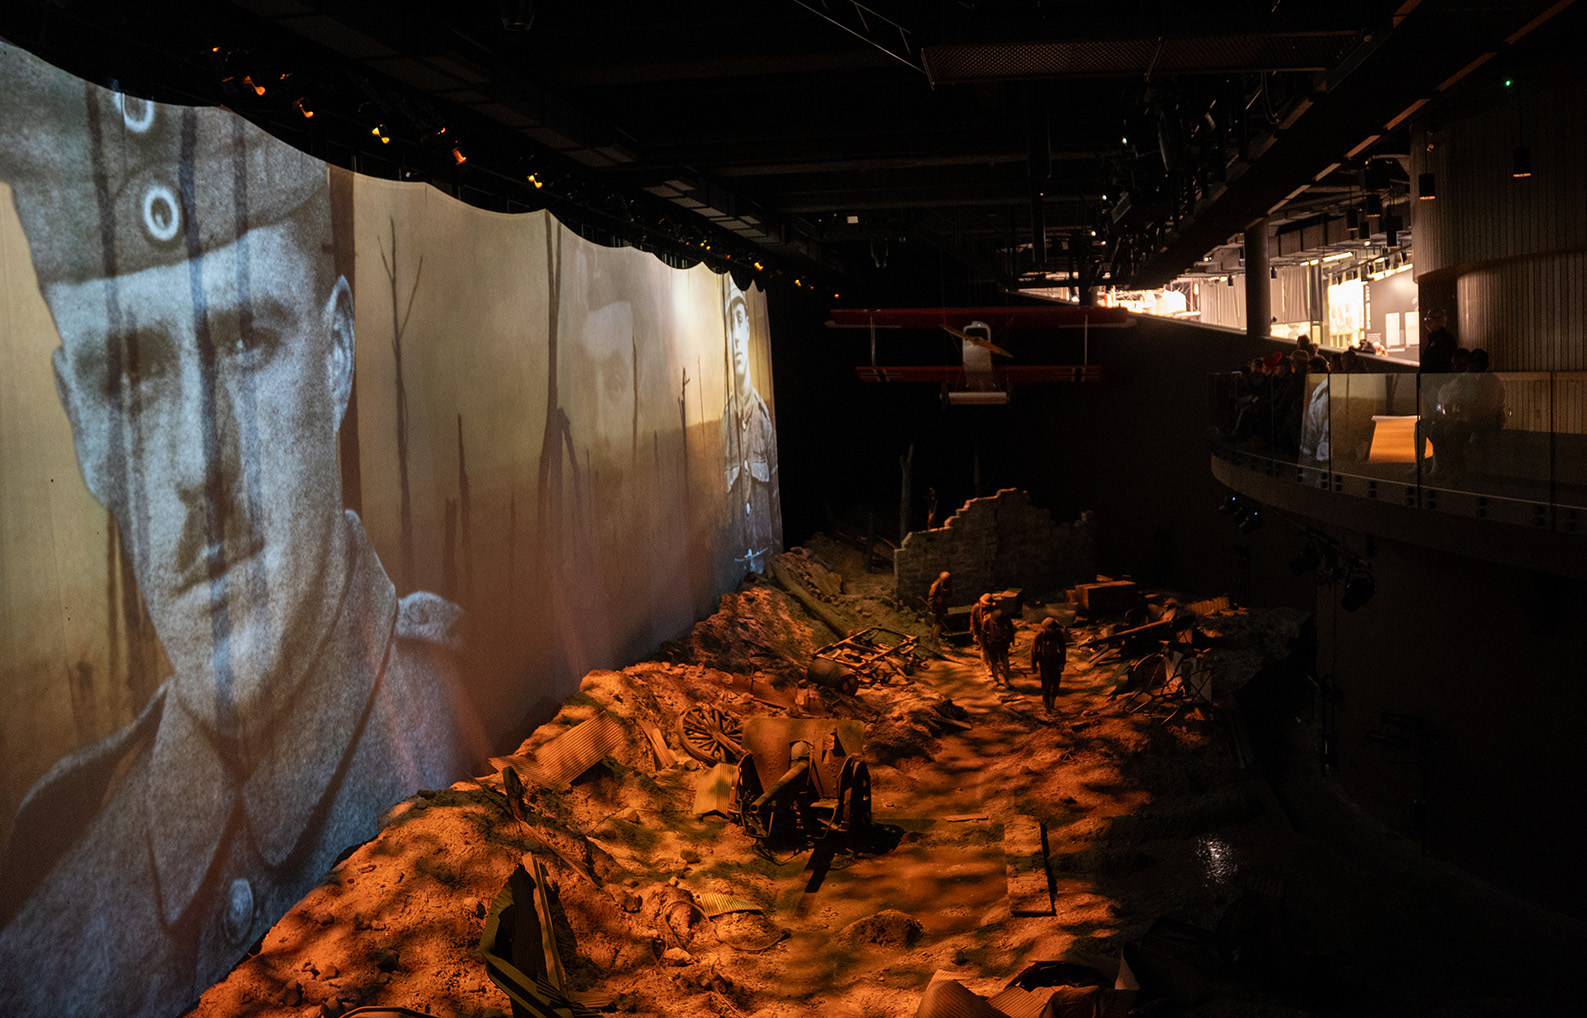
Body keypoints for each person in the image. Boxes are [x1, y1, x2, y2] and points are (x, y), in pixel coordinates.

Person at [0, 45, 476, 1018]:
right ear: (83, 426)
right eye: (131, 376)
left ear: (337, 352)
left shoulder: (467, 725)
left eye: (247, 341)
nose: (196, 467)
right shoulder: (43, 936)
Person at [722, 287, 779, 574]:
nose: (734, 335)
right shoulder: (723, 424)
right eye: (729, 324)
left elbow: (775, 496)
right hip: (738, 572)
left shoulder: (765, 421)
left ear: (746, 329)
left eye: (740, 320)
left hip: (767, 565)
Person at [1031, 617, 1069, 712]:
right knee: (1046, 684)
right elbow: (1034, 651)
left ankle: (1052, 703)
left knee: (1056, 683)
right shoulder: (1040, 636)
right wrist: (1034, 666)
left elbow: (1062, 649)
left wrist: (1062, 663)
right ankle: (1046, 704)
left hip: (1055, 661)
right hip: (1044, 663)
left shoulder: (1058, 635)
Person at [927, 570, 953, 642]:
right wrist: (933, 608)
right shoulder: (935, 586)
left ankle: (931, 639)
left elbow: (949, 594)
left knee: (937, 622)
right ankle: (935, 641)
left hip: (942, 606)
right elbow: (931, 599)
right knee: (939, 623)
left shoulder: (946, 585)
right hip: (937, 607)